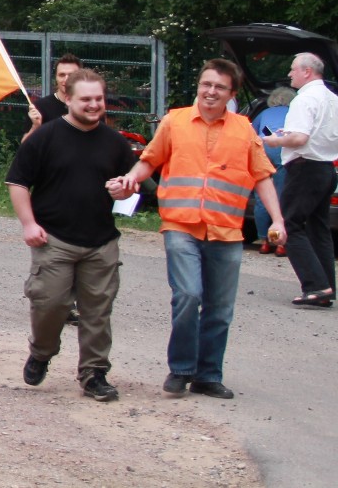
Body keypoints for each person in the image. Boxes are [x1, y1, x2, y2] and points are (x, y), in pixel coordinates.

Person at [109, 59, 283, 397]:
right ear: (199, 87)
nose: (211, 91)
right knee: (188, 295)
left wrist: (277, 220)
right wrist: (130, 179)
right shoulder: (175, 121)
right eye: (206, 84)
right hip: (181, 225)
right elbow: (150, 160)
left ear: (231, 94)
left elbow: (262, 176)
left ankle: (208, 375)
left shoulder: (244, 129)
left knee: (220, 309)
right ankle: (181, 369)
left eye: (219, 87)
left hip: (226, 230)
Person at [4, 69, 139, 402]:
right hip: (54, 240)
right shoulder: (45, 137)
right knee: (50, 304)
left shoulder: (115, 142)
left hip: (101, 242)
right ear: (68, 99)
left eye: (99, 99)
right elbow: (17, 182)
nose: (94, 105)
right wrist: (28, 224)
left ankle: (94, 373)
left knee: (97, 312)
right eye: (86, 99)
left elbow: (132, 189)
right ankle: (42, 352)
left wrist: (125, 191)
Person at [268, 53, 338, 306]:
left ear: (307, 71)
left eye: (293, 69)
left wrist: (275, 140)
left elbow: (299, 138)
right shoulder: (332, 98)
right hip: (326, 167)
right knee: (319, 228)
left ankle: (315, 285)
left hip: (304, 167)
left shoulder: (304, 99)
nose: (289, 74)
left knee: (289, 224)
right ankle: (326, 287)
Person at [250, 86, 293, 254]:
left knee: (262, 198)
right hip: (282, 151)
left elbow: (254, 132)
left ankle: (264, 241)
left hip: (263, 149)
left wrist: (269, 134)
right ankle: (280, 243)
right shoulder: (293, 112)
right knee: (281, 196)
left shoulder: (264, 113)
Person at [28, 53, 82, 138]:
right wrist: (35, 126)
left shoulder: (90, 106)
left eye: (71, 75)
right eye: (62, 75)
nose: (66, 79)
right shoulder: (39, 107)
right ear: (56, 77)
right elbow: (25, 144)